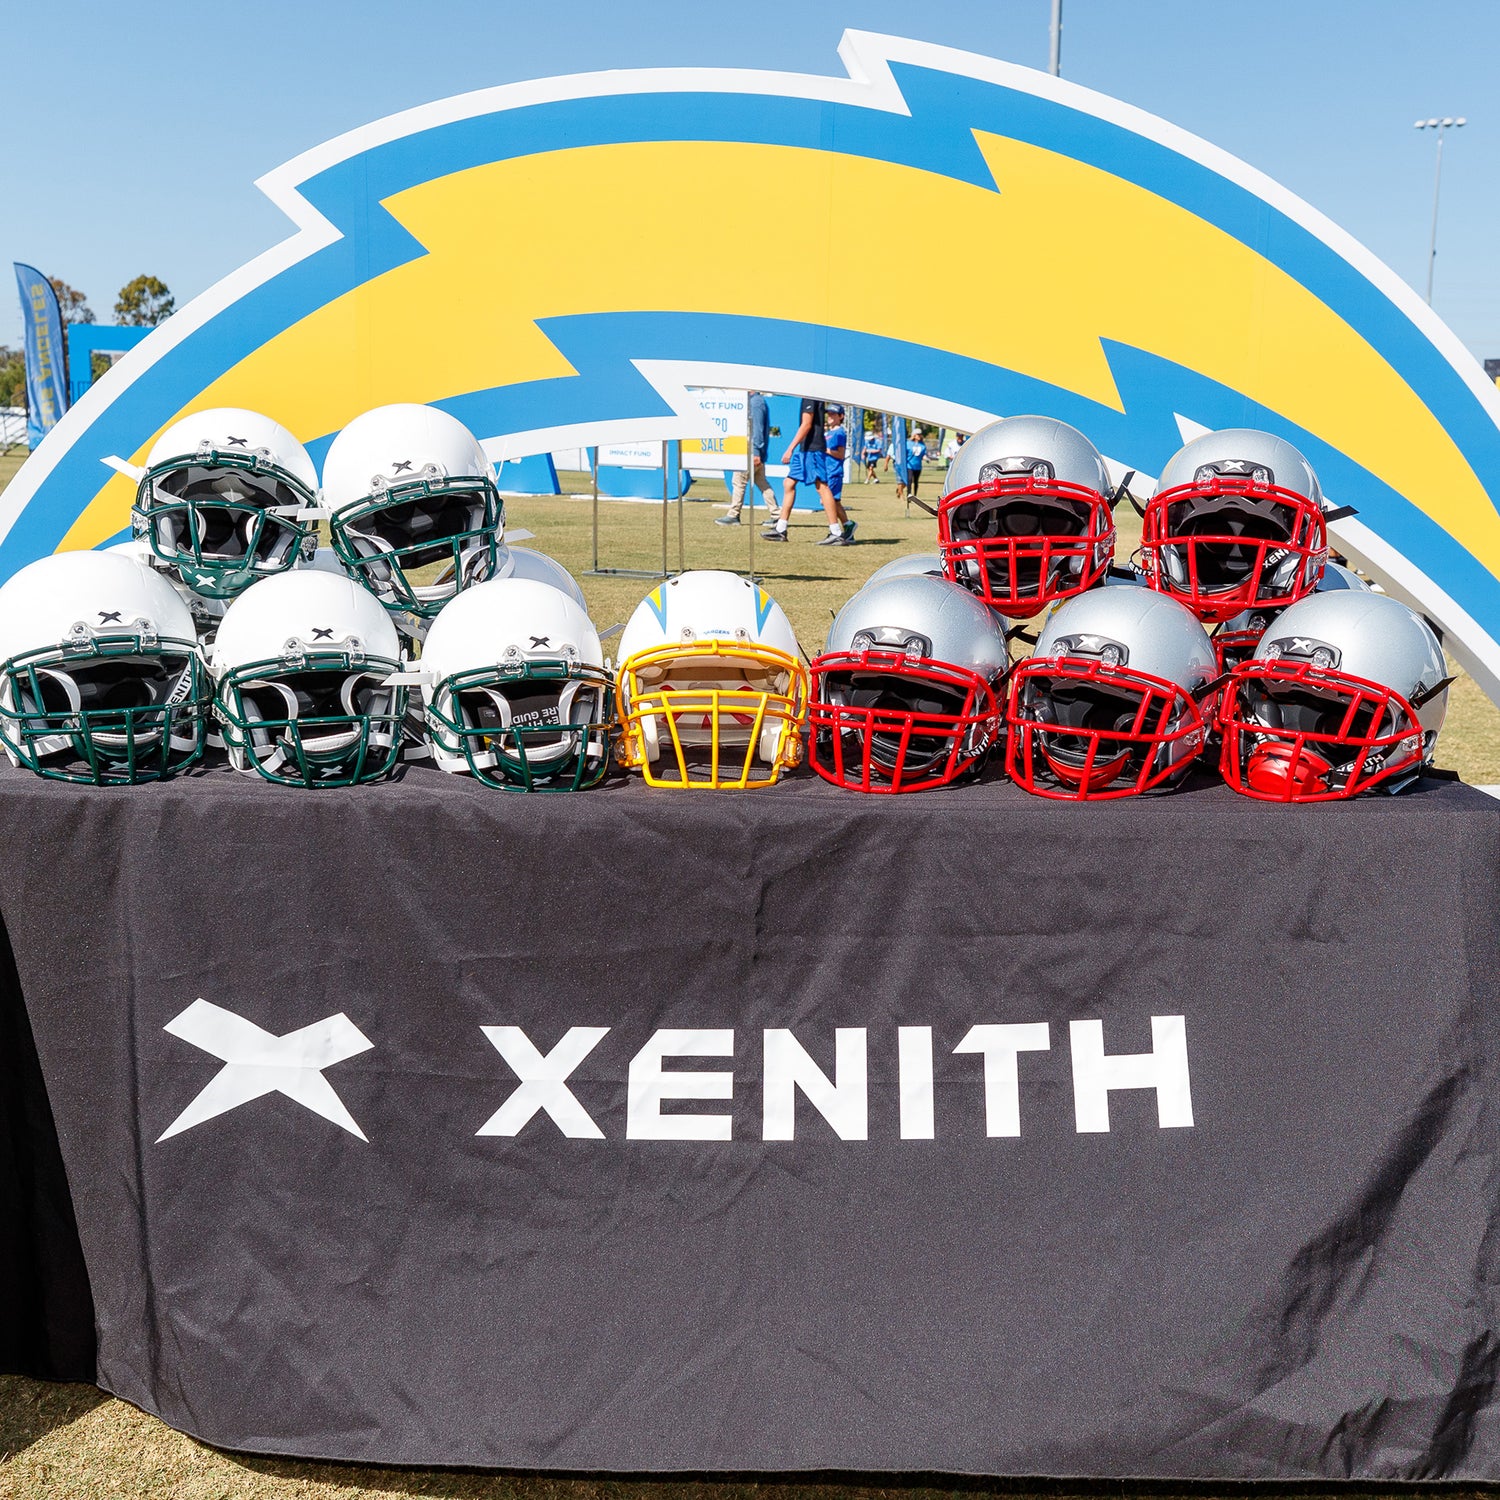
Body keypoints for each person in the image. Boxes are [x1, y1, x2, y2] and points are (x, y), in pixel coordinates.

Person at [762, 396, 854, 546]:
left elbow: (806, 424)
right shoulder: (810, 397)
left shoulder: (809, 397)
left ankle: (836, 532)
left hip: (813, 449)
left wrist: (790, 448)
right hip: (804, 449)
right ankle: (781, 529)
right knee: (788, 483)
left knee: (822, 487)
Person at [716, 390, 779, 525]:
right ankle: (776, 514)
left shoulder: (755, 402)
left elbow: (757, 428)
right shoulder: (758, 401)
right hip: (754, 451)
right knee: (762, 484)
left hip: (750, 451)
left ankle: (734, 515)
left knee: (739, 482)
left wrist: (756, 451)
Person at [906, 426, 927, 505]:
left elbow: (923, 455)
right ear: (914, 435)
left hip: (918, 466)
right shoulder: (908, 443)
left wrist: (926, 458)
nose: (919, 436)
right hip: (909, 465)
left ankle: (915, 496)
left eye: (920, 434)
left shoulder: (922, 445)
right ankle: (909, 495)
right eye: (917, 434)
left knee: (916, 482)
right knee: (909, 480)